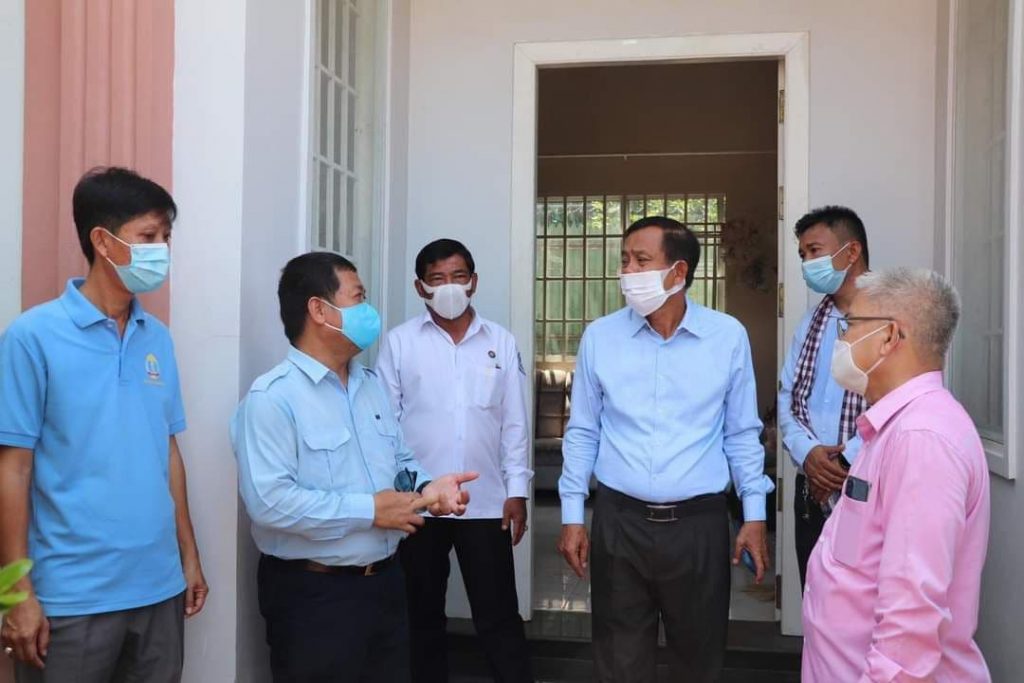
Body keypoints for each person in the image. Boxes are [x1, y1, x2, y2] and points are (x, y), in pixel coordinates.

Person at [0, 167, 208, 682]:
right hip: (71, 598)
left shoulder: (156, 337)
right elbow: (13, 469)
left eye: (166, 237)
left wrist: (188, 555)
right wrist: (15, 592)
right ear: (102, 241)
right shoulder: (32, 337)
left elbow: (167, 451)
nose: (161, 250)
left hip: (159, 588)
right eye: (148, 236)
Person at [231, 251, 478, 682]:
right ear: (319, 310)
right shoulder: (272, 399)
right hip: (314, 597)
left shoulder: (370, 385)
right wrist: (370, 511)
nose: (369, 310)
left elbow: (400, 462)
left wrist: (428, 491)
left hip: (385, 585)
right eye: (358, 298)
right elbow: (269, 503)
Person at [557, 216, 774, 683]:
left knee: (698, 660)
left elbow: (741, 433)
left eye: (641, 260)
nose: (627, 271)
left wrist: (754, 515)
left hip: (698, 526)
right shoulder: (601, 337)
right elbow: (583, 431)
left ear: (678, 272)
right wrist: (572, 515)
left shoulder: (726, 336)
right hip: (620, 522)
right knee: (619, 662)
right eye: (624, 260)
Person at [802, 268, 990, 682]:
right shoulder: (894, 428)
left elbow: (911, 619)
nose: (842, 340)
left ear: (889, 336)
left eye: (851, 326)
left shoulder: (921, 439)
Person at [376, 239, 534, 683]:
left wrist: (517, 491)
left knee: (498, 613)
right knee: (421, 612)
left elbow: (514, 424)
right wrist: (400, 494)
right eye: (438, 278)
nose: (449, 287)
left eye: (458, 276)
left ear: (474, 282)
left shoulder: (500, 341)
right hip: (419, 503)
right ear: (420, 287)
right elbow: (385, 426)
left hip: (486, 502)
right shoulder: (400, 343)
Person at [777, 205, 871, 588]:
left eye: (814, 251)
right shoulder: (811, 322)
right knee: (817, 599)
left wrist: (841, 464)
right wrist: (809, 454)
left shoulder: (891, 318)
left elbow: (899, 404)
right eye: (803, 254)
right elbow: (787, 398)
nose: (807, 263)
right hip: (810, 489)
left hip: (868, 488)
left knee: (863, 605)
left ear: (851, 252)